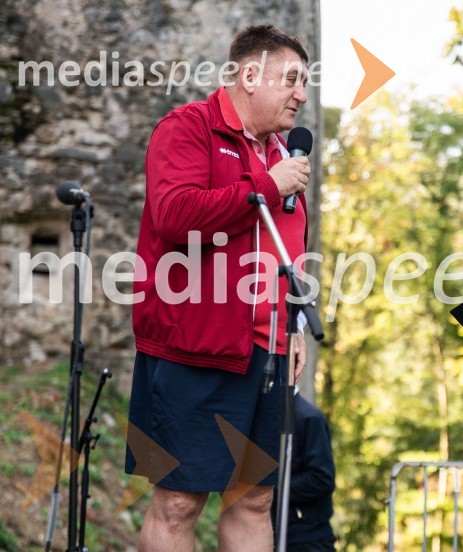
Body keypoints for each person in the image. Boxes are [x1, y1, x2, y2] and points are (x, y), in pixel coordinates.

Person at [125, 25, 312, 552]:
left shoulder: (283, 154)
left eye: (305, 83)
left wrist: (294, 325)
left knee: (253, 499)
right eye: (292, 79)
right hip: (197, 348)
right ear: (250, 75)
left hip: (269, 351)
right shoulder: (187, 128)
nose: (302, 93)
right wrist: (266, 187)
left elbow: (290, 253)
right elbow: (174, 217)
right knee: (180, 501)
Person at [273, 392, 337, 552]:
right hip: (274, 534)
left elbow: (322, 478)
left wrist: (272, 492)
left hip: (308, 539)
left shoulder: (309, 417)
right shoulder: (269, 415)